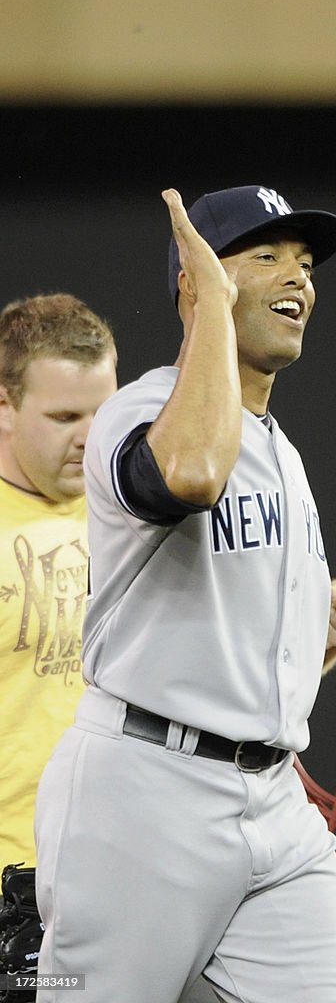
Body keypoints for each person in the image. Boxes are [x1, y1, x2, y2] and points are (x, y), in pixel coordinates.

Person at [33, 184, 336, 1003]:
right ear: (196, 280)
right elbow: (187, 473)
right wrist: (211, 308)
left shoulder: (282, 450)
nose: (298, 277)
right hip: (145, 795)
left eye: (306, 263)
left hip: (274, 799)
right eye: (266, 256)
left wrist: (296, 639)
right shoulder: (137, 411)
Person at [0, 293, 117, 867]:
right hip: (12, 884)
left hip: (122, 874)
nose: (92, 438)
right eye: (66, 417)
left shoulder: (133, 519)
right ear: (4, 406)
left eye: (104, 414)